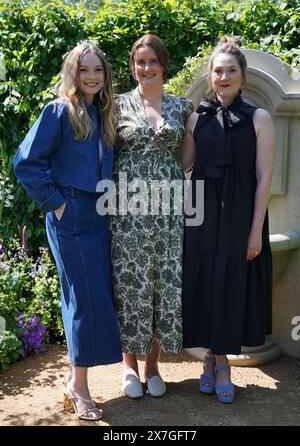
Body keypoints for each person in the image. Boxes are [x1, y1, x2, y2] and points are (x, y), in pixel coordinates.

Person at [14, 41, 122, 420]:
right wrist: (56, 203)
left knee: (91, 295)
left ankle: (75, 378)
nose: (91, 77)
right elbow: (26, 163)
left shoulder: (103, 113)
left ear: (106, 75)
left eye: (98, 70)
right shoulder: (59, 110)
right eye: (84, 69)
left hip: (98, 213)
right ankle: (79, 387)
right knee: (84, 300)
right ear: (72, 73)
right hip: (70, 214)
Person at [182, 36, 275, 404]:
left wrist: (255, 230)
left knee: (230, 281)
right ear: (210, 75)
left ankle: (220, 363)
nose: (224, 77)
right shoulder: (195, 117)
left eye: (231, 71)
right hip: (201, 213)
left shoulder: (260, 118)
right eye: (218, 70)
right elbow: (186, 165)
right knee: (204, 281)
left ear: (242, 76)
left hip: (238, 216)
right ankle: (212, 357)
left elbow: (265, 179)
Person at [111, 34, 193, 398]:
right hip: (127, 211)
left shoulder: (183, 107)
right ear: (133, 66)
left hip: (169, 210)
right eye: (139, 62)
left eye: (152, 62)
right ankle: (129, 367)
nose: (146, 68)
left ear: (164, 65)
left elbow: (189, 158)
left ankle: (153, 366)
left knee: (163, 282)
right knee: (130, 282)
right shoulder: (115, 105)